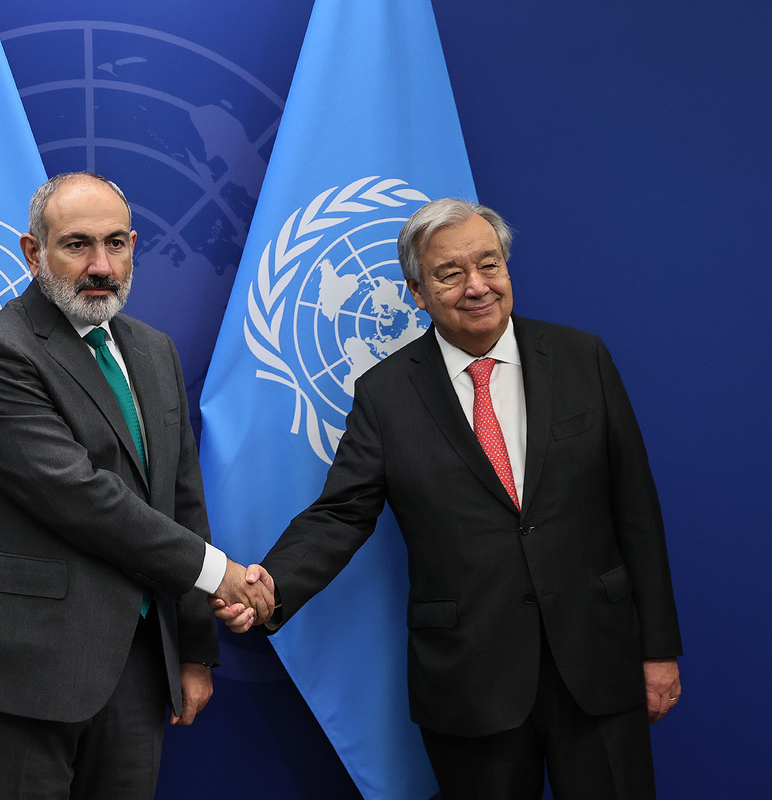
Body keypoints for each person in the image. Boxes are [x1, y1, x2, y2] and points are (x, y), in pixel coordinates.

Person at [215, 198, 682, 799]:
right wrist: (272, 586)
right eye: (450, 274)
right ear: (416, 292)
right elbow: (341, 514)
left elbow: (636, 511)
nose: (477, 286)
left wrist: (658, 650)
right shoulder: (386, 393)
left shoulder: (581, 358)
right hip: (471, 678)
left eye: (489, 265)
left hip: (598, 661)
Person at [0, 172, 273, 800]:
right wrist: (219, 574)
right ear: (33, 252)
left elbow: (181, 501)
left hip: (138, 665)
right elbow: (80, 496)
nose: (101, 266)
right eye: (77, 245)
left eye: (116, 243)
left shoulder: (155, 351)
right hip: (24, 666)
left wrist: (194, 649)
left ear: (133, 246)